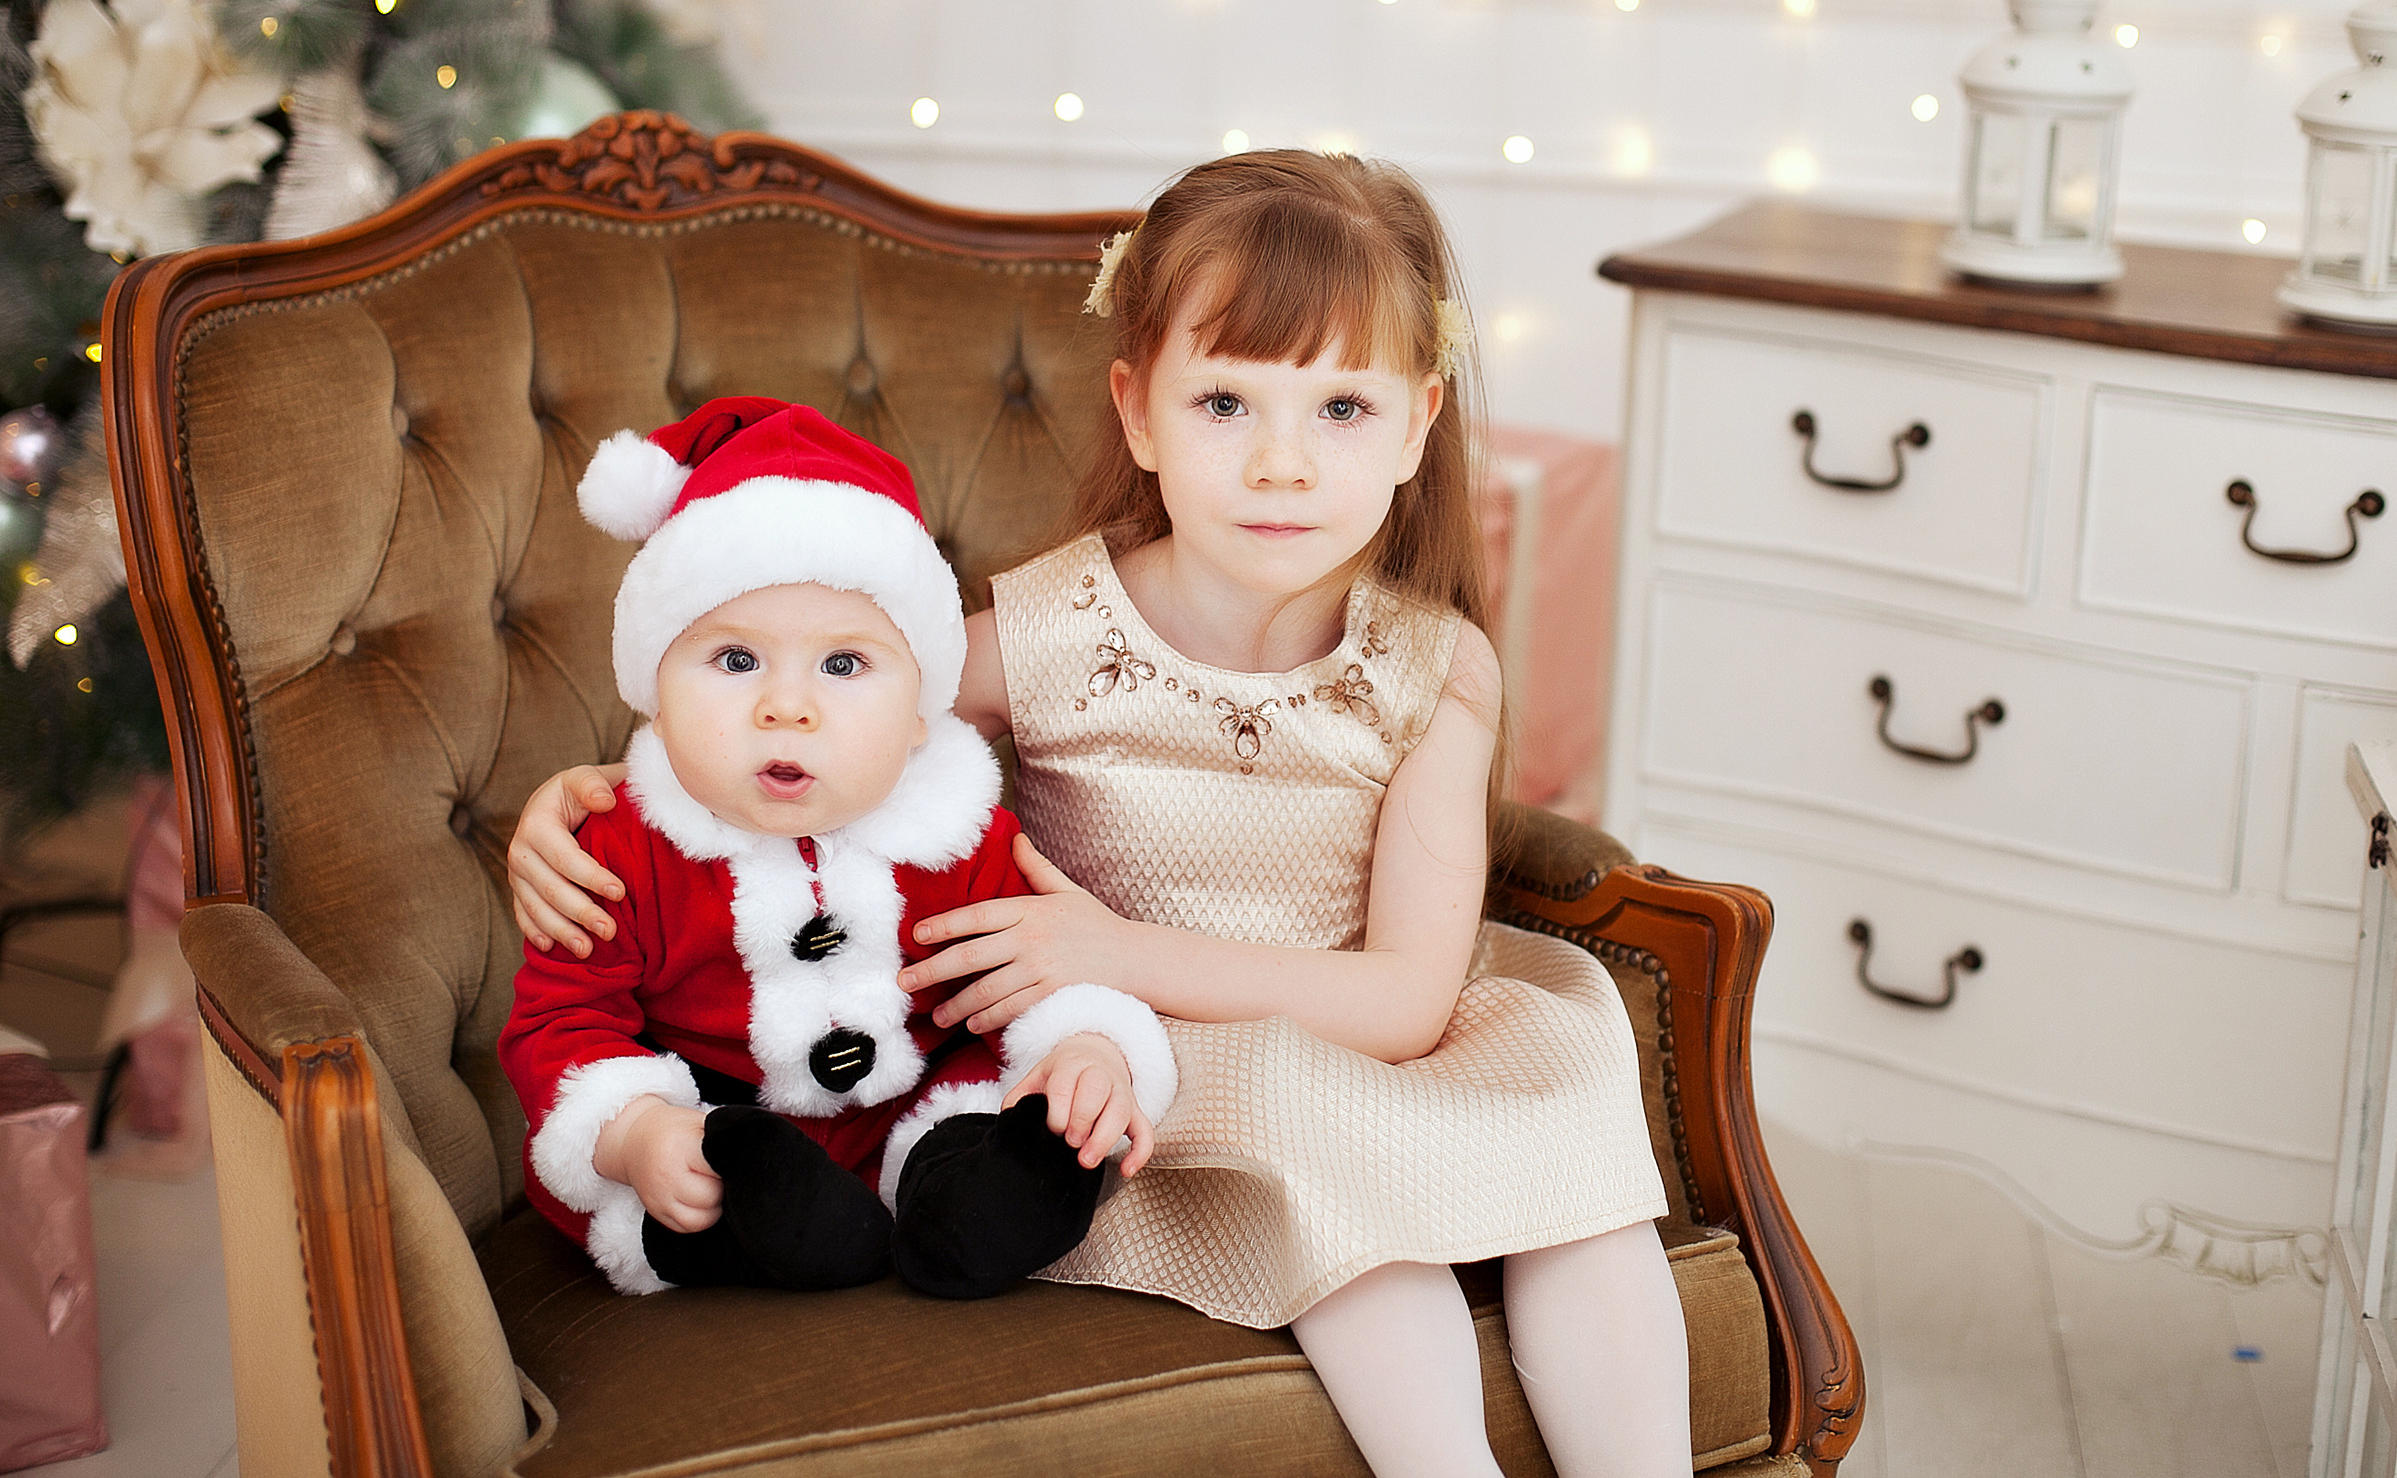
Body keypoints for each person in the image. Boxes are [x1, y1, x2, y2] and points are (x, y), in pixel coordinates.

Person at [508, 152, 1690, 1477]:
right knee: (1344, 1185)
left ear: (1420, 423)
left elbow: (1412, 1000)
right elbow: (822, 723)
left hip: (1356, 1017)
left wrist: (1116, 948)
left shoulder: (1435, 663)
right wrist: (604, 790)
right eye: (1227, 400)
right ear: (1140, 410)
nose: (1283, 463)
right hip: (1140, 1067)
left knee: (1576, 1153)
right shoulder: (1050, 627)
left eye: (1343, 407)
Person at [499, 397, 1176, 1299]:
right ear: (655, 690)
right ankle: (751, 1219)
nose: (788, 706)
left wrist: (1088, 1045)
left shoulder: (961, 828)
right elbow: (561, 1027)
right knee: (675, 1189)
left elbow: (1041, 965)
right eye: (735, 661)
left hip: (920, 1108)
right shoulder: (617, 847)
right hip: (715, 1120)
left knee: (1007, 1121)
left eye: (845, 665)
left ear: (919, 713)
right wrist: (635, 1130)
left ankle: (978, 1201)